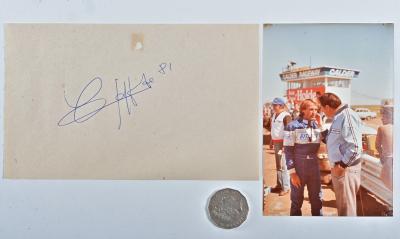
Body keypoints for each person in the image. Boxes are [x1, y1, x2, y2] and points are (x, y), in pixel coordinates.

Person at [318, 93, 363, 216]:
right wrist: (321, 127)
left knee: (347, 208)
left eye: (321, 107)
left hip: (345, 168)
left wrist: (342, 166)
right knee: (343, 207)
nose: (321, 110)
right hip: (341, 168)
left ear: (327, 107)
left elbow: (355, 146)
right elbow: (334, 141)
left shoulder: (346, 116)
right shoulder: (339, 116)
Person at [284, 99, 323, 216]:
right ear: (303, 110)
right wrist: (292, 173)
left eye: (316, 109)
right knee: (296, 201)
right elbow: (288, 151)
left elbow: (327, 140)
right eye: (311, 109)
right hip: (299, 167)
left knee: (317, 200)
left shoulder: (316, 125)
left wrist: (321, 125)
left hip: (314, 167)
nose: (314, 112)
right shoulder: (292, 126)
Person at [270, 97, 292, 196]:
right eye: (273, 105)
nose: (273, 107)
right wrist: (271, 141)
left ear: (281, 106)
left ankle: (286, 187)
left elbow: (289, 131)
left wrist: (285, 145)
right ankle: (279, 185)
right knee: (278, 165)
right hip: (276, 142)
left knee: (283, 166)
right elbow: (274, 129)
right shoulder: (274, 114)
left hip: (283, 143)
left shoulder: (286, 116)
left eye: (275, 105)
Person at [376, 105, 393, 190]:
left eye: (383, 115)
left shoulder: (381, 128)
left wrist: (381, 155)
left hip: (389, 160)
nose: (382, 118)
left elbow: (377, 146)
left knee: (384, 179)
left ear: (388, 116)